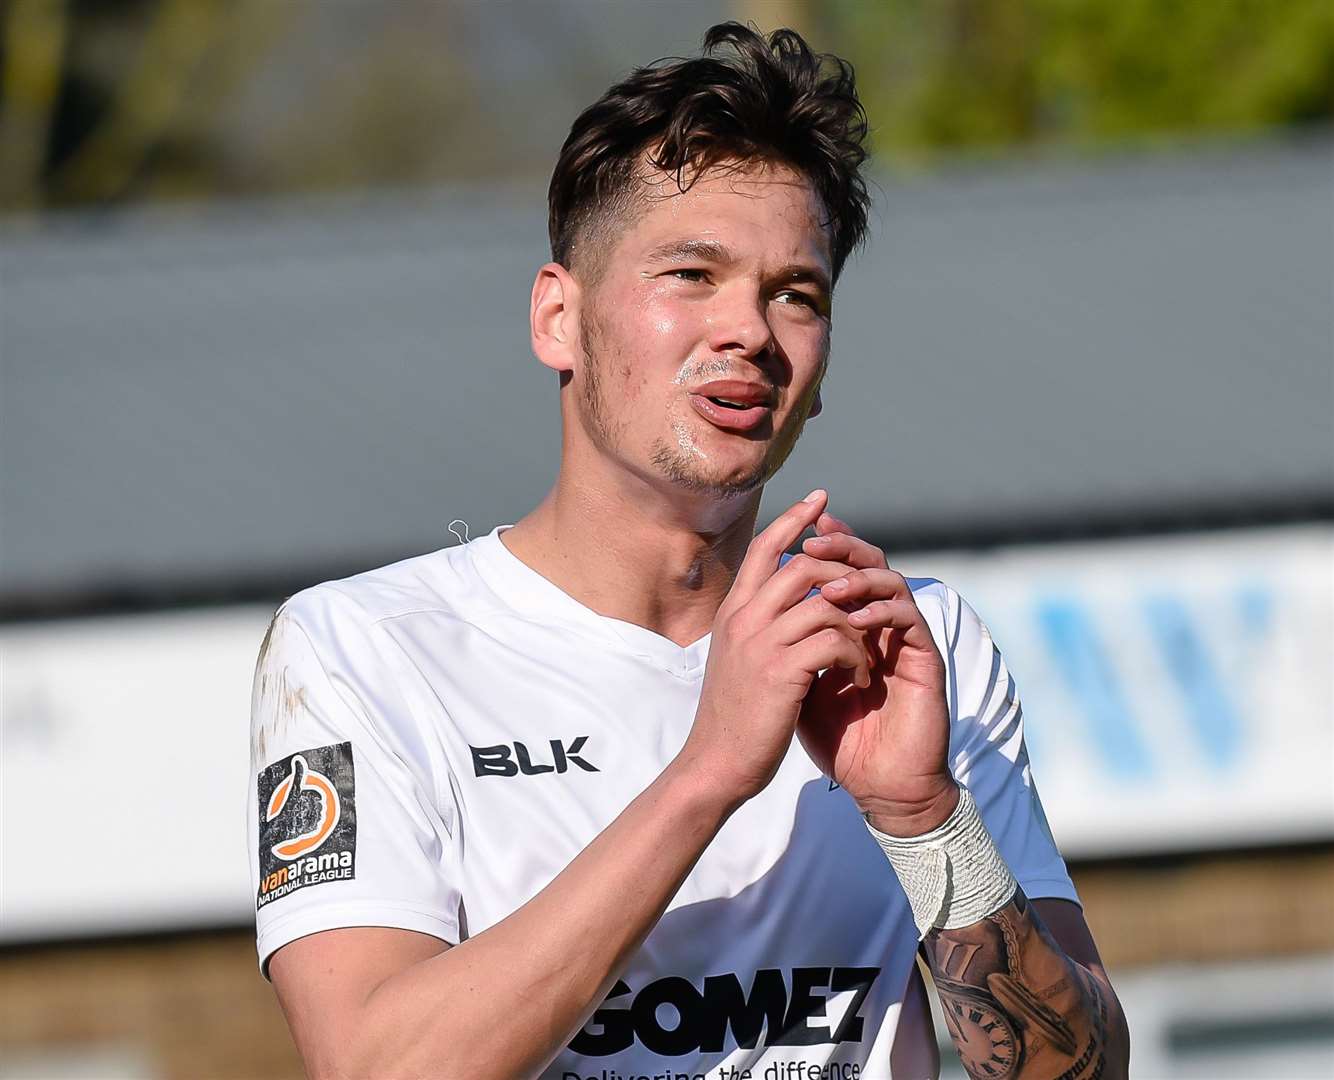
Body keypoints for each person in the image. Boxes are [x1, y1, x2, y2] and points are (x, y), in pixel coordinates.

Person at [248, 23, 1129, 1079]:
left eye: (794, 293)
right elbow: (374, 1067)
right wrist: (708, 771)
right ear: (557, 319)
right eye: (690, 273)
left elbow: (1078, 1073)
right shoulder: (362, 650)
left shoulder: (913, 639)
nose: (748, 330)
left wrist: (920, 816)